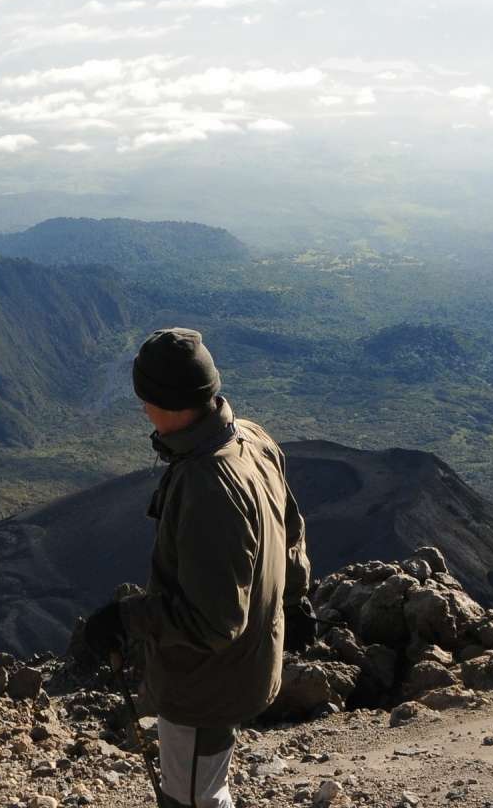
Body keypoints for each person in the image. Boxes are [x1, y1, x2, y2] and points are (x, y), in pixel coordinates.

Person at [83, 328, 313, 808]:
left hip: (205, 684)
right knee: (204, 788)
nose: (142, 410)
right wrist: (295, 597)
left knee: (194, 798)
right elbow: (290, 527)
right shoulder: (251, 439)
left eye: (145, 399)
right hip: (249, 660)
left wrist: (124, 619)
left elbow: (211, 622)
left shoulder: (207, 484)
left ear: (163, 401)